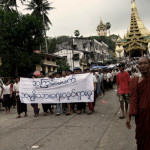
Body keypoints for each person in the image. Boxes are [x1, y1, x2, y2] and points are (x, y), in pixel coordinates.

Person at [126, 56, 150, 150]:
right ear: (137, 67)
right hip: (141, 117)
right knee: (141, 139)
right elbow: (133, 99)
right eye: (140, 64)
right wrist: (128, 116)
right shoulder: (135, 81)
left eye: (145, 63)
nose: (143, 66)